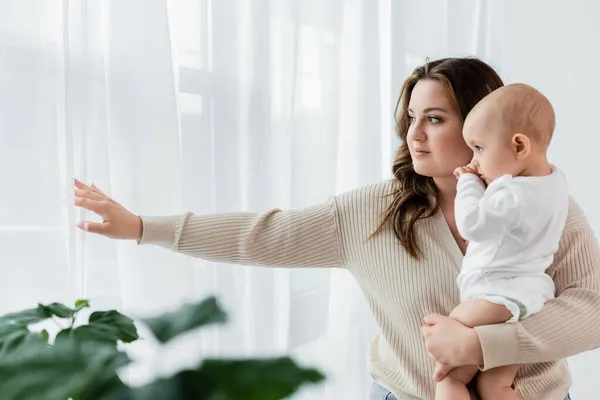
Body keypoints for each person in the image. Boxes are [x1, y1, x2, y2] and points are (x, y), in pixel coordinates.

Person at [74, 57, 600, 400]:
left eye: (436, 119)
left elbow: (592, 311)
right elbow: (263, 234)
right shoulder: (372, 213)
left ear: (488, 124)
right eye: (412, 117)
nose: (414, 134)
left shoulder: (545, 205)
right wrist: (144, 227)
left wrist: (485, 347)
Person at [433, 83, 569, 400]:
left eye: (479, 149)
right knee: (496, 385)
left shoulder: (510, 193)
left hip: (497, 295)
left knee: (448, 376)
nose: (475, 161)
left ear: (519, 146)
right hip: (531, 296)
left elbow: (472, 224)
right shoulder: (555, 183)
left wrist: (468, 182)